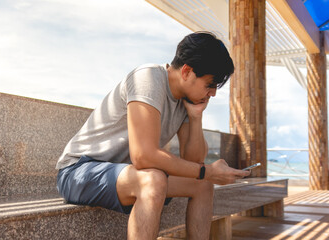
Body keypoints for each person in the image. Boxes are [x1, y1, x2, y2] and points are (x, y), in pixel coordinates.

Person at [56, 31, 250, 240]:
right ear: (186, 71)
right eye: (209, 84)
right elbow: (143, 156)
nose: (212, 93)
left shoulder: (186, 100)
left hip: (126, 175)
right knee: (153, 180)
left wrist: (195, 118)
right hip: (78, 171)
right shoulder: (147, 78)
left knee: (202, 185)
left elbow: (194, 163)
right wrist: (207, 171)